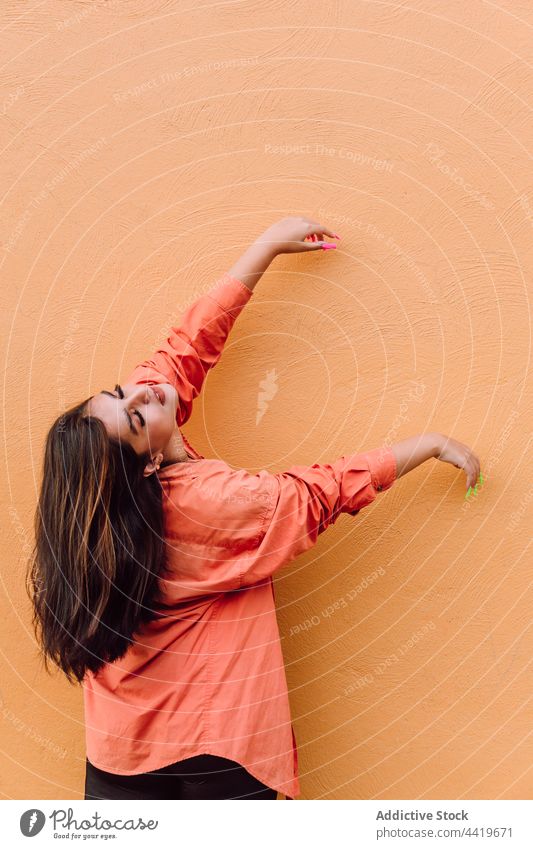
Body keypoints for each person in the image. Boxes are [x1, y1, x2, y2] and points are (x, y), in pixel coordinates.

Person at [27, 215, 481, 800]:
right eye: (135, 413)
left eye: (121, 393)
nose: (141, 389)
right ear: (143, 464)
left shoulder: (108, 505)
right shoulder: (210, 503)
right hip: (215, 756)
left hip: (119, 753)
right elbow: (315, 494)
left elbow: (179, 355)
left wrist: (263, 251)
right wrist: (429, 445)